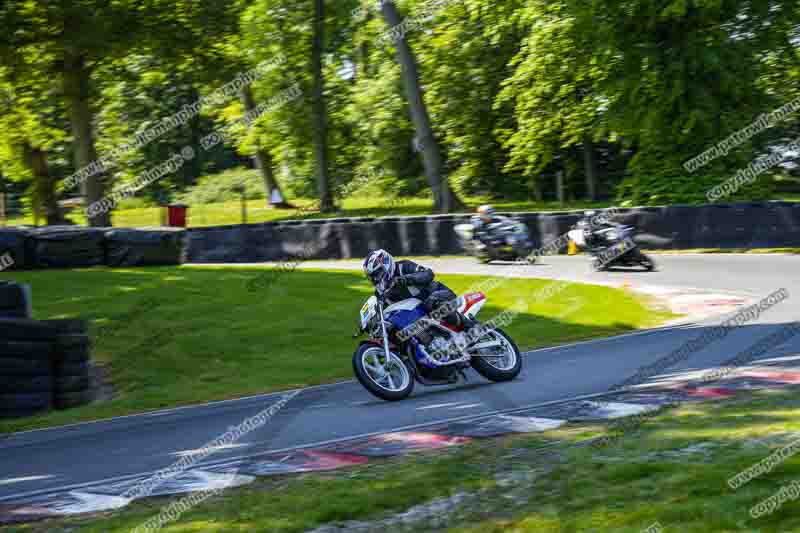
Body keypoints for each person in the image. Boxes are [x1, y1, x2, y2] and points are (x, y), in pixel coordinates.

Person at [362, 249, 475, 332]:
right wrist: (370, 323)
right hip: (419, 314)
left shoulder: (403, 266)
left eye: (378, 274)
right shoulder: (380, 292)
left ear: (386, 264)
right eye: (372, 277)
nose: (376, 279)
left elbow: (428, 274)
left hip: (440, 295)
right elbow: (383, 312)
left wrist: (406, 279)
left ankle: (471, 328)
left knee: (432, 302)